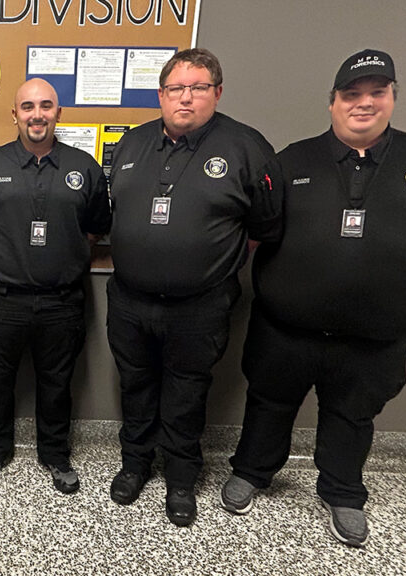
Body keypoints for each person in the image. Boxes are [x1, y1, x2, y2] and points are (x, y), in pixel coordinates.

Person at [221, 49, 406, 547]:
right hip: (286, 328)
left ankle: (342, 490)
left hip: (375, 337)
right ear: (332, 102)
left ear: (393, 98)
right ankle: (252, 471)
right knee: (268, 404)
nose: (364, 104)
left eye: (377, 93)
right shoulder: (292, 161)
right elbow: (263, 232)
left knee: (353, 414)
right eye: (351, 94)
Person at [106, 48, 280, 525]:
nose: (186, 97)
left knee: (186, 394)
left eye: (198, 87)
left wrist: (211, 264)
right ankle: (135, 465)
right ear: (161, 94)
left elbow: (264, 227)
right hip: (129, 300)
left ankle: (182, 479)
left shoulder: (246, 147)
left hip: (199, 306)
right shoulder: (131, 143)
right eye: (175, 88)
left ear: (217, 92)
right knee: (135, 386)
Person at [0, 78, 111, 493]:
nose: (36, 114)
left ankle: (56, 456)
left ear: (58, 114)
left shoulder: (84, 168)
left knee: (58, 384)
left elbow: (95, 229)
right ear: (15, 114)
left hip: (62, 300)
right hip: (1, 300)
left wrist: (64, 251)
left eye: (45, 106)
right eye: (27, 106)